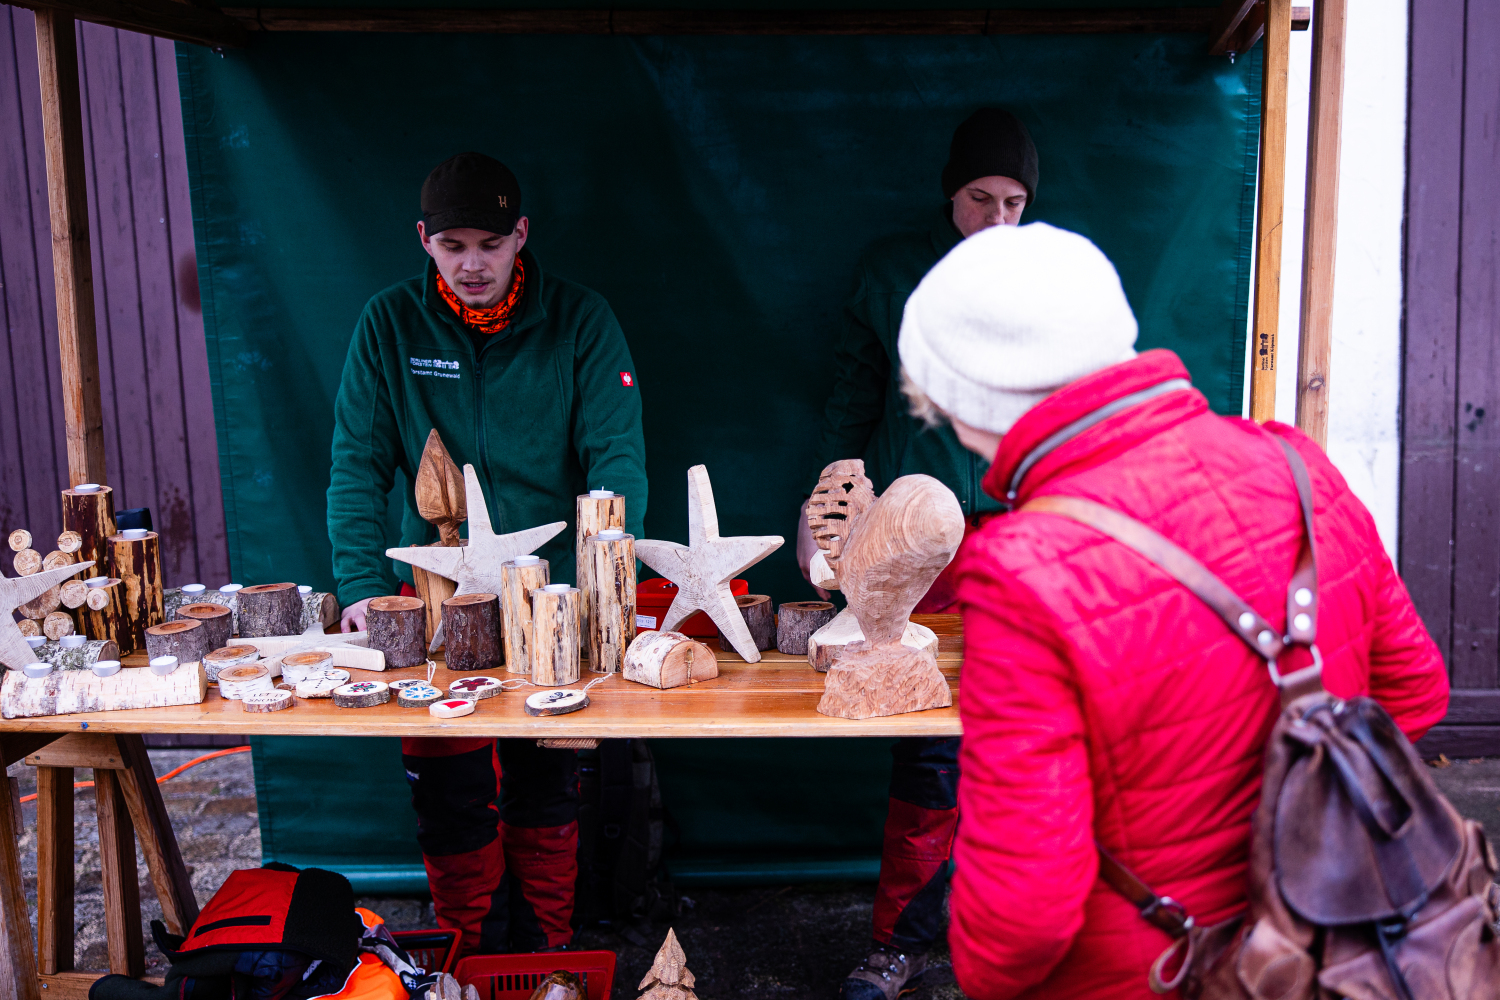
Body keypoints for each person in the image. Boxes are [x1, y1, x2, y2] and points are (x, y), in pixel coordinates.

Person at [895, 221, 1450, 999]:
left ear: (964, 400)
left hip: (1156, 972)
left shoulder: (1020, 572)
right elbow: (1415, 695)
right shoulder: (1298, 466)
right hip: (1341, 951)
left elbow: (1021, 922)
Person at [327, 152, 648, 956]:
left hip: (553, 599)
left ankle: (548, 956)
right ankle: (467, 955)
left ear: (522, 237)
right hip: (435, 598)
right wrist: (364, 586)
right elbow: (356, 467)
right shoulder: (388, 323)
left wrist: (597, 591)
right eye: (454, 245)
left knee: (546, 786)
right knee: (452, 793)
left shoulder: (581, 319)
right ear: (424, 241)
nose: (474, 264)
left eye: (492, 244)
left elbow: (618, 461)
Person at [801, 108, 1037, 1000]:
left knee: (1021, 734)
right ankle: (898, 938)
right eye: (982, 198)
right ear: (952, 192)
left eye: (1016, 201)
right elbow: (850, 399)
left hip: (1019, 537)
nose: (999, 219)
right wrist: (821, 509)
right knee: (927, 743)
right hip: (918, 537)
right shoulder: (892, 270)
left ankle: (1007, 941)